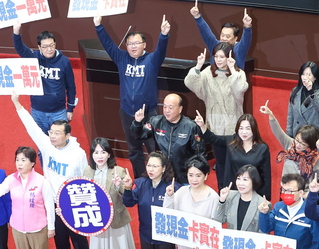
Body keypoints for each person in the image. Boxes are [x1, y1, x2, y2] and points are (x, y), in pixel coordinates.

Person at [11, 93, 93, 249]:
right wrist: (17, 104)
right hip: (53, 205)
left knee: (80, 245)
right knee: (61, 244)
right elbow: (31, 126)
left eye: (57, 133)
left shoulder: (78, 154)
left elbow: (87, 179)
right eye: (51, 132)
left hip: (74, 204)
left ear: (67, 135)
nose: (52, 136)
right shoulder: (47, 145)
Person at [95, 13, 170, 178]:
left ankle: (158, 177)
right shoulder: (121, 58)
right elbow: (108, 45)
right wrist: (99, 26)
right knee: (134, 149)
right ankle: (140, 179)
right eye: (130, 44)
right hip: (128, 112)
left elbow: (161, 51)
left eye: (137, 43)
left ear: (144, 44)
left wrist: (164, 35)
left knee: (153, 148)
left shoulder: (151, 60)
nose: (133, 47)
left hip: (149, 113)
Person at [83, 138, 139, 249]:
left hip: (116, 221)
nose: (99, 156)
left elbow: (126, 196)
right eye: (96, 152)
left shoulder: (118, 170)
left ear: (109, 154)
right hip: (97, 222)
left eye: (103, 152)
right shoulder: (87, 171)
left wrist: (118, 186)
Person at [185, 43, 248, 186]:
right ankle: (222, 192)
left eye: (222, 56)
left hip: (234, 128)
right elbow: (189, 83)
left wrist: (232, 70)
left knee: (236, 163)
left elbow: (240, 91)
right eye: (216, 56)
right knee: (220, 164)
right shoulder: (207, 73)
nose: (219, 60)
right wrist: (198, 66)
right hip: (215, 127)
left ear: (229, 57)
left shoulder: (239, 74)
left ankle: (237, 191)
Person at [12, 23, 77, 133]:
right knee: (41, 142)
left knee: (60, 143)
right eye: (45, 46)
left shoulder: (64, 62)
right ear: (39, 47)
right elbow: (20, 49)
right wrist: (16, 32)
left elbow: (71, 87)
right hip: (37, 111)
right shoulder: (34, 57)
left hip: (58, 111)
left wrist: (70, 109)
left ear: (55, 44)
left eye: (51, 45)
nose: (49, 49)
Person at [260, 100, 319, 200]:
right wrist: (271, 115)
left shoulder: (315, 158)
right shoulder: (290, 144)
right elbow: (278, 132)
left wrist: (308, 193)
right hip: (286, 192)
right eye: (297, 140)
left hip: (302, 196)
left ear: (310, 145)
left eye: (303, 144)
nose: (298, 145)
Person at [196, 112, 271, 201]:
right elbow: (213, 139)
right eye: (241, 128)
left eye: (248, 129)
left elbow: (267, 175)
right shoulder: (231, 141)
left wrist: (265, 197)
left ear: (254, 130)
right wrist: (202, 125)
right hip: (232, 189)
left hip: (252, 191)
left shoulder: (262, 148)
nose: (244, 132)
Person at [132, 93, 204, 184]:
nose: (167, 111)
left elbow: (200, 153)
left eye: (171, 107)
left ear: (180, 109)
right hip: (161, 175)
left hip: (183, 176)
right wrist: (137, 122)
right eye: (165, 107)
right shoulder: (156, 122)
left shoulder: (191, 127)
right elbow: (137, 135)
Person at [190, 0, 253, 70]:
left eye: (228, 36)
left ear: (235, 38)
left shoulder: (239, 49)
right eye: (222, 35)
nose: (224, 38)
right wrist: (197, 17)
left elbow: (246, 40)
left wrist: (247, 27)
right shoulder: (215, 45)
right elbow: (206, 33)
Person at [287, 61, 319, 136]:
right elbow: (290, 115)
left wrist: (311, 92)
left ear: (315, 77)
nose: (305, 77)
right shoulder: (295, 91)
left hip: (313, 135)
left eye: (309, 75)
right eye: (303, 74)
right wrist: (289, 135)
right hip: (297, 134)